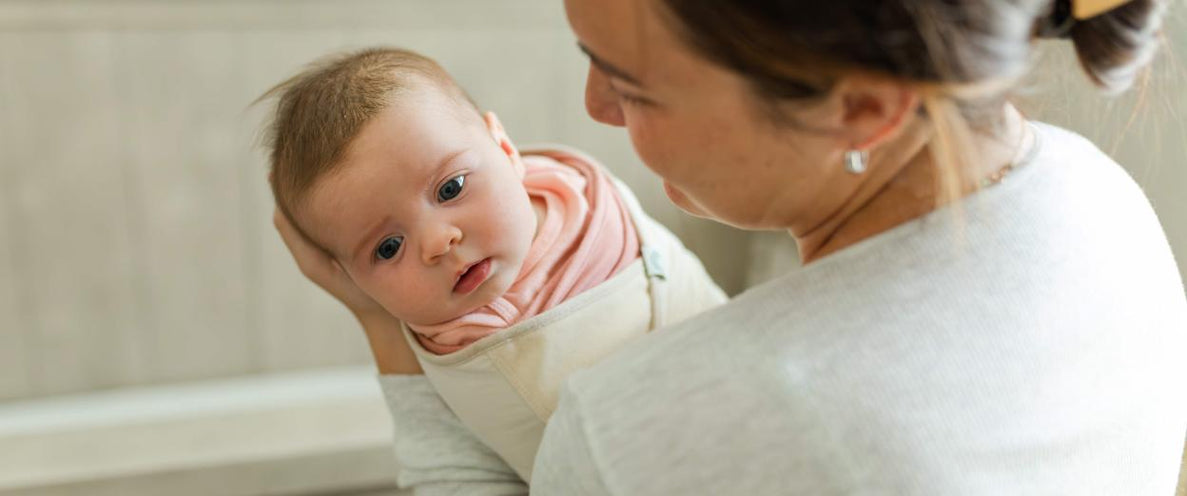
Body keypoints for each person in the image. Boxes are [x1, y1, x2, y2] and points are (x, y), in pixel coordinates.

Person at [273, 0, 1187, 493]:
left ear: (860, 106)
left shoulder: (650, 426)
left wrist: (386, 333)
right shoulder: (1097, 196)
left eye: (631, 82)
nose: (594, 110)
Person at [261, 47, 726, 480]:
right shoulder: (469, 342)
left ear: (505, 148)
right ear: (355, 281)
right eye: (388, 247)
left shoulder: (569, 184)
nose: (438, 242)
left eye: (451, 188)